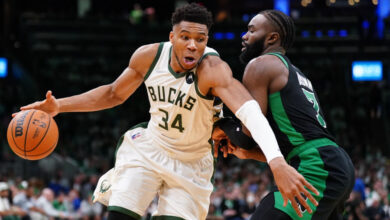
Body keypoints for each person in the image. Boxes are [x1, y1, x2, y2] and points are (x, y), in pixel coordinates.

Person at [16, 4, 318, 220]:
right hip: (149, 149)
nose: (192, 46)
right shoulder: (149, 56)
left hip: (192, 163)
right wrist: (59, 106)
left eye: (200, 40)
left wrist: (277, 162)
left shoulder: (213, 69)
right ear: (172, 37)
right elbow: (112, 94)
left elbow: (251, 112)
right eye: (185, 37)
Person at [212, 10, 355, 220]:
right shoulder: (295, 72)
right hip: (333, 163)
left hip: (317, 166)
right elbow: (294, 143)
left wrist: (221, 126)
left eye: (251, 30)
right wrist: (249, 153)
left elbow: (246, 135)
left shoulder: (260, 65)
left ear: (272, 37)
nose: (244, 36)